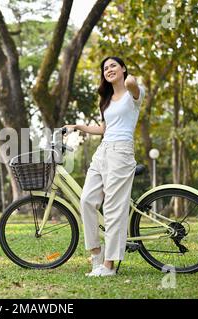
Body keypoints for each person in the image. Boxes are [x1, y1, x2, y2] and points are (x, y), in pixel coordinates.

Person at [63, 56, 145, 277]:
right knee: (87, 200)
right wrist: (77, 126)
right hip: (103, 151)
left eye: (113, 66)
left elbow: (133, 84)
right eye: (105, 68)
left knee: (113, 208)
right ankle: (97, 256)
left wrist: (129, 80)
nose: (109, 70)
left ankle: (109, 266)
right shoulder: (106, 100)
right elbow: (103, 129)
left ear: (123, 69)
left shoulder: (133, 93)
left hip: (122, 152)